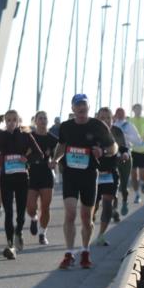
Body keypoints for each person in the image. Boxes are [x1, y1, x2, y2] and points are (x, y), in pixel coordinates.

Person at [56, 94, 117, 270]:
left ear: (88, 108)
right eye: (78, 105)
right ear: (73, 108)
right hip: (70, 175)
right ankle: (68, 253)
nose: (81, 108)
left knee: (86, 217)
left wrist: (102, 151)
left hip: (89, 175)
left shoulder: (98, 126)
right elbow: (61, 145)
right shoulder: (66, 126)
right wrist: (54, 159)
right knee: (70, 213)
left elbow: (113, 148)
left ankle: (84, 251)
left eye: (84, 105)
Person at [0, 110, 43, 259]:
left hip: (22, 178)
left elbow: (39, 154)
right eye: (8, 120)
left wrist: (27, 159)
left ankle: (19, 231)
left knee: (20, 212)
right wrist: (2, 137)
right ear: (5, 121)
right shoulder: (2, 135)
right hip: (6, 178)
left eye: (14, 120)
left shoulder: (26, 136)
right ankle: (10, 244)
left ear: (19, 121)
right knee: (9, 212)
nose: (11, 123)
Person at [92, 107, 130, 247]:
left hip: (111, 173)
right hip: (93, 174)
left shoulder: (117, 132)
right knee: (93, 207)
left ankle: (101, 235)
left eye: (108, 117)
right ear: (97, 118)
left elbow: (124, 148)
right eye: (102, 118)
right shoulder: (92, 132)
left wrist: (126, 154)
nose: (106, 120)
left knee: (108, 205)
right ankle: (90, 221)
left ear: (112, 119)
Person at [26, 111, 58, 245]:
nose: (43, 121)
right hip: (31, 172)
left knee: (46, 206)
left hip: (46, 173)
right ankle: (33, 219)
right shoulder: (29, 137)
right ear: (35, 121)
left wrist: (55, 160)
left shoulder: (53, 139)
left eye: (45, 118)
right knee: (31, 207)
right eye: (40, 118)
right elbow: (21, 151)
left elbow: (60, 152)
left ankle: (42, 233)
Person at [112, 107, 141, 217]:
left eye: (121, 113)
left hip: (126, 156)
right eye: (117, 113)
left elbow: (138, 141)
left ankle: (124, 201)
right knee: (113, 183)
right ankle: (114, 208)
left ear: (124, 114)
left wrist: (125, 136)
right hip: (113, 156)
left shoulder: (129, 126)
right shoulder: (111, 126)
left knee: (123, 185)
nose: (119, 115)